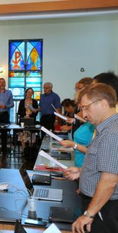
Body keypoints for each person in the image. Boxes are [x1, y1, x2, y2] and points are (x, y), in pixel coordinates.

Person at [64, 83, 118, 233]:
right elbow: (106, 165)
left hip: (103, 209)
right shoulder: (104, 129)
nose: (84, 114)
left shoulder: (112, 133)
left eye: (86, 108)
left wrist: (89, 213)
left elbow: (110, 181)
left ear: (103, 103)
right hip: (98, 205)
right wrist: (82, 171)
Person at [60, 78, 94, 168]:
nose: (84, 113)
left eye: (83, 106)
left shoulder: (96, 124)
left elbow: (95, 152)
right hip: (81, 167)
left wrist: (73, 145)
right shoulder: (89, 122)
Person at [17, 88, 38, 156]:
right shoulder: (22, 101)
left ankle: (30, 151)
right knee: (23, 136)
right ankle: (23, 151)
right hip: (23, 120)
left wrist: (30, 115)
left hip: (31, 120)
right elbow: (19, 111)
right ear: (26, 93)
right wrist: (25, 115)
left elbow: (36, 112)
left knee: (30, 136)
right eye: (28, 92)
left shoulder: (34, 102)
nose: (29, 94)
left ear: (32, 94)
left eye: (31, 92)